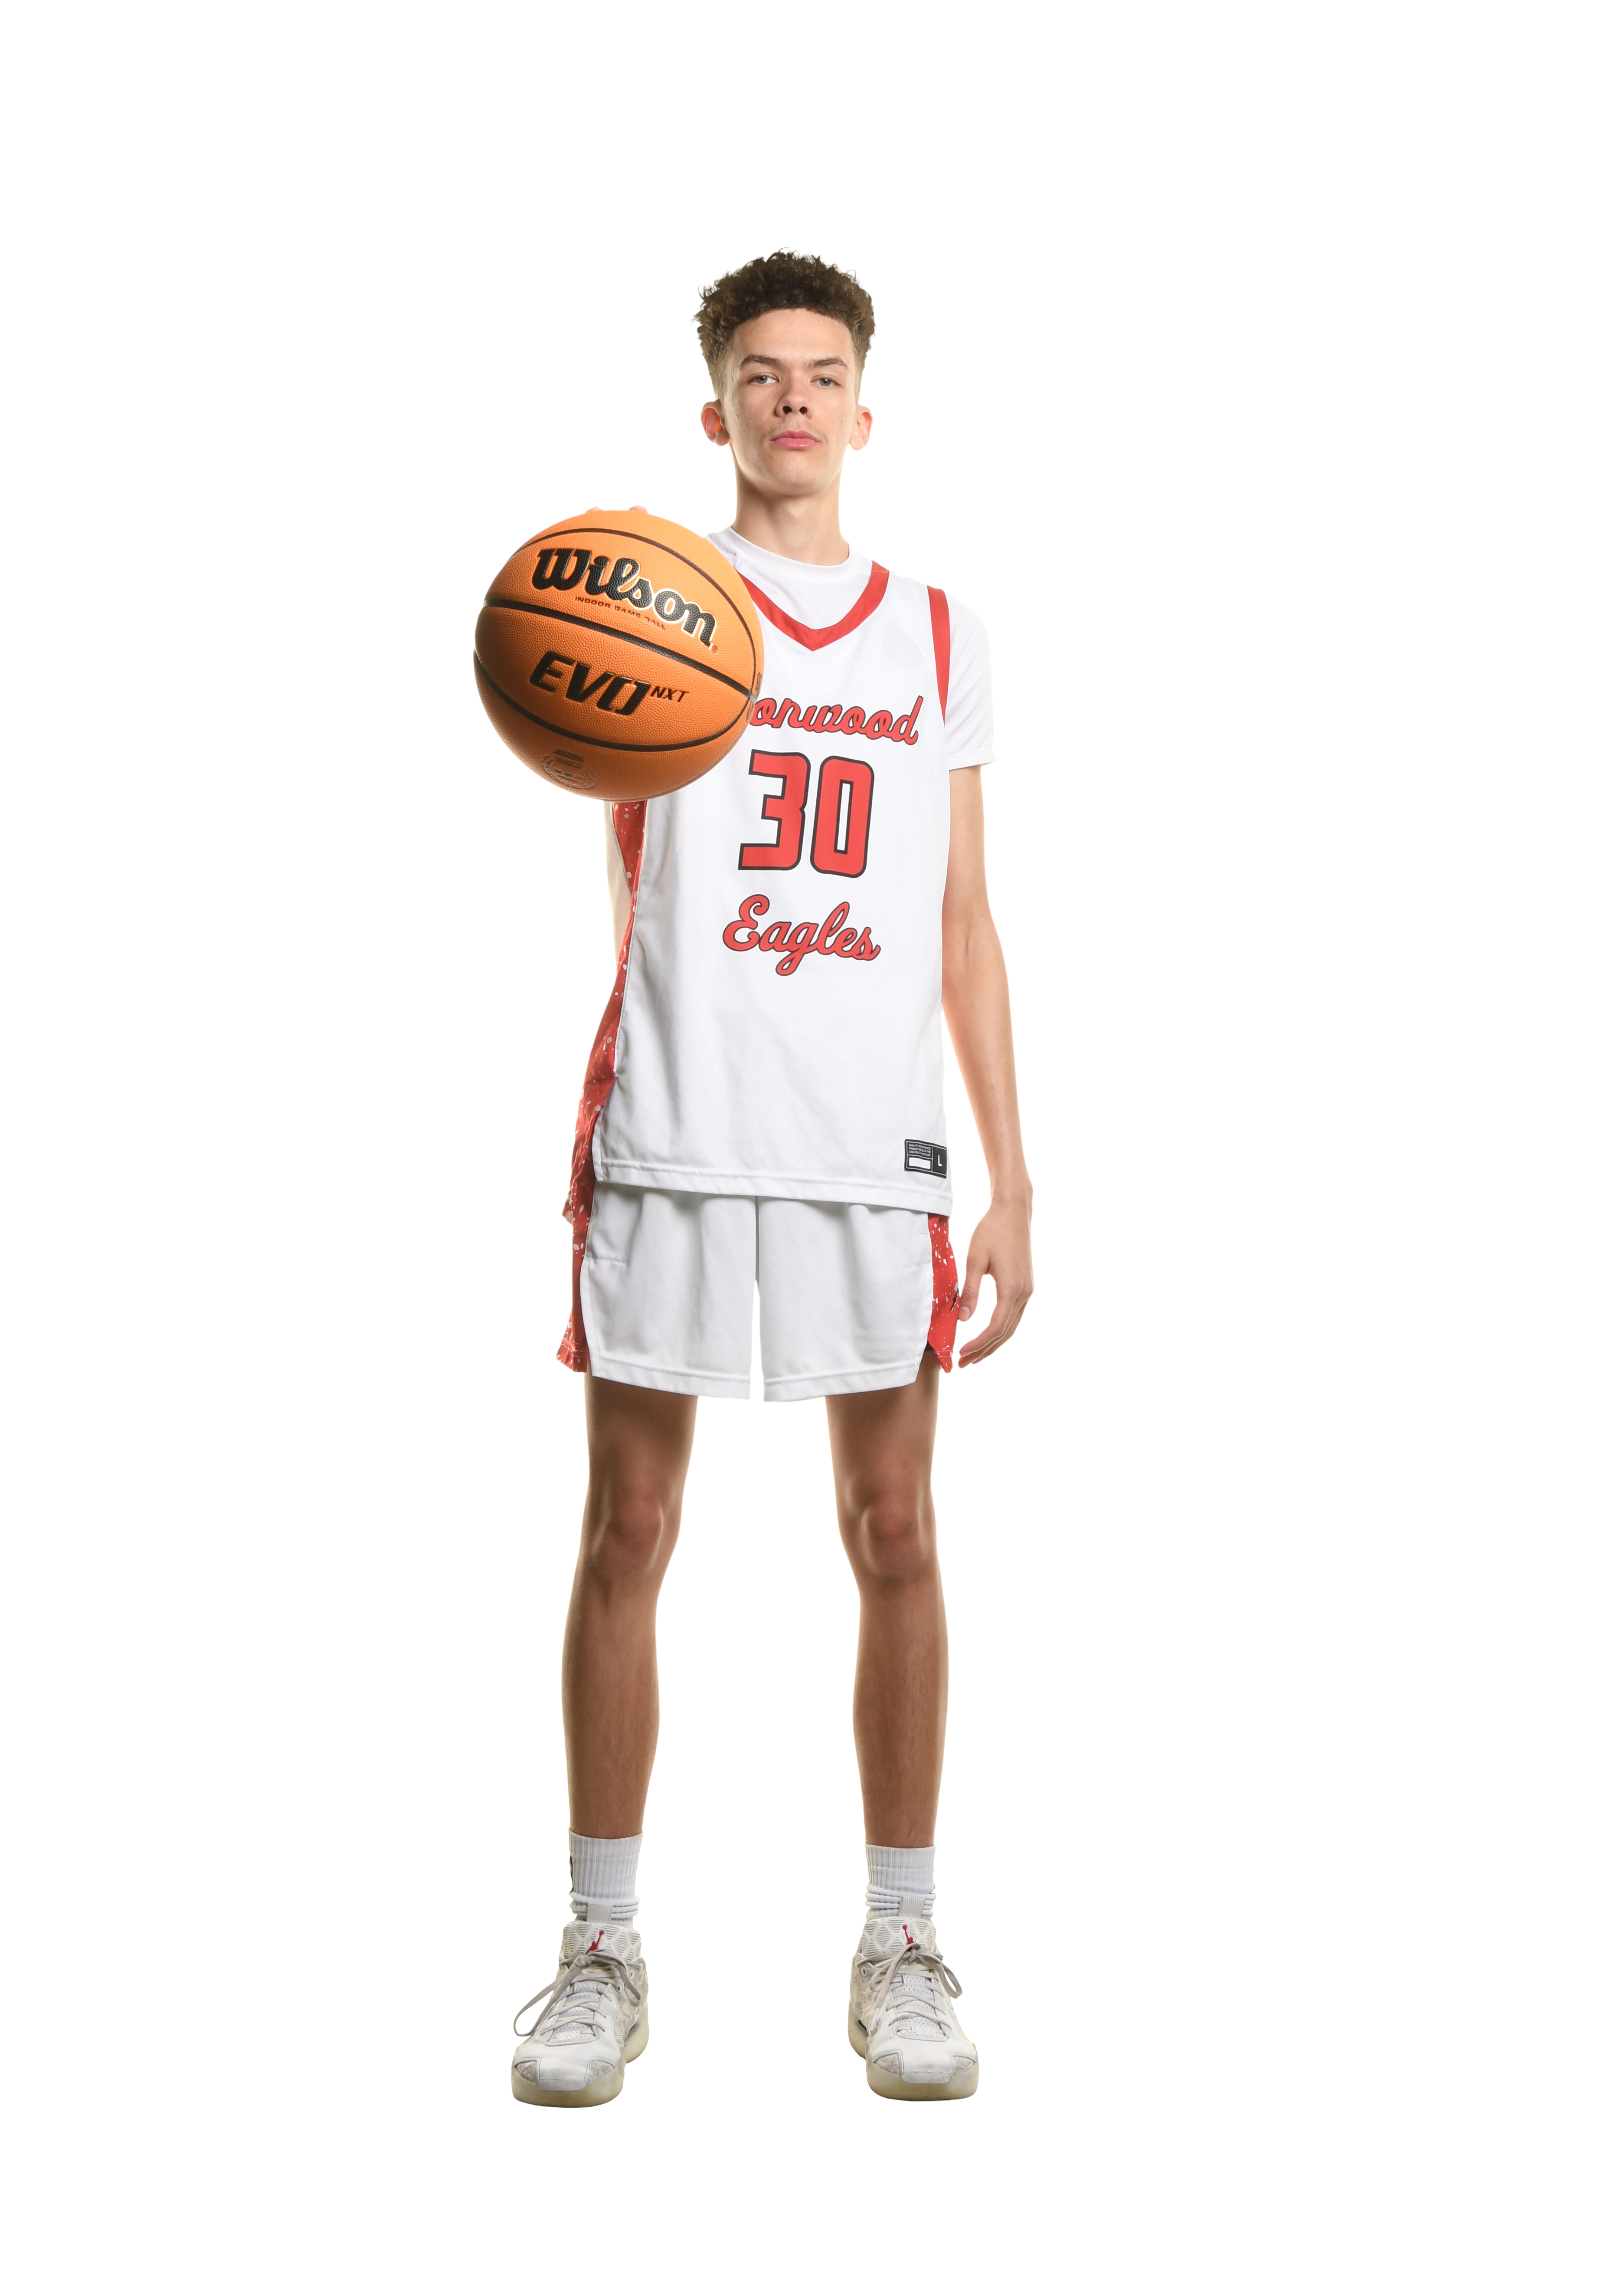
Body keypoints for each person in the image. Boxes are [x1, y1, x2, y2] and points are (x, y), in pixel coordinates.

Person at [511, 248, 1033, 2105]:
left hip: (870, 1139)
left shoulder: (940, 636)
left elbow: (962, 920)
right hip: (674, 1111)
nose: (793, 397)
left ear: (864, 411)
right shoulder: (638, 602)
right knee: (626, 1531)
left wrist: (1015, 1178)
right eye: (760, 371)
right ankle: (600, 1949)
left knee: (897, 1532)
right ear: (714, 405)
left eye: (823, 373)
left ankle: (900, 1941)